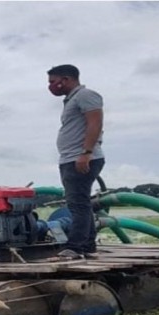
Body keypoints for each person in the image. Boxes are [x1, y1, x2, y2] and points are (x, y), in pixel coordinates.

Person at [47, 64, 105, 259]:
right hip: (71, 157)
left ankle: (75, 247)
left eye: (53, 81)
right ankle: (87, 245)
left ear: (66, 79)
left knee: (77, 204)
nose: (51, 86)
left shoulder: (85, 95)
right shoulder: (72, 100)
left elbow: (95, 122)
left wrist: (86, 153)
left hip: (79, 157)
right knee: (82, 203)